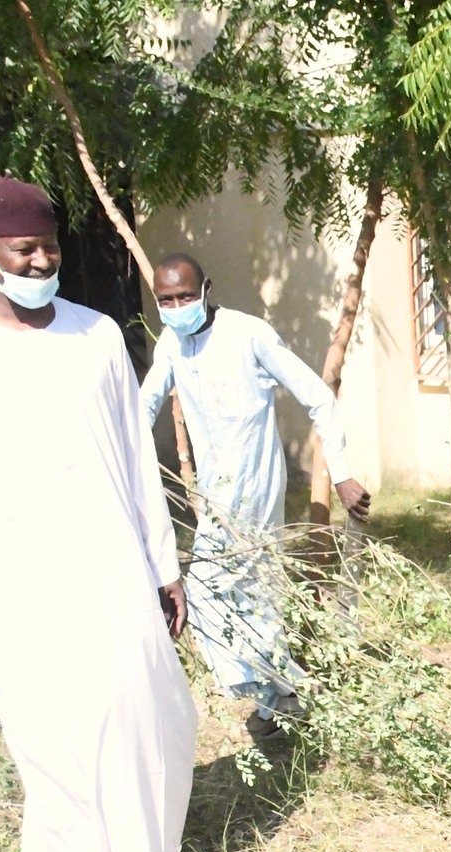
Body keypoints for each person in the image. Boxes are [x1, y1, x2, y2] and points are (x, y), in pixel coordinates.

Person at [0, 176, 196, 852]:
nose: (40, 261)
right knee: (43, 721)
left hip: (109, 562)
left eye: (49, 246)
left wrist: (164, 564)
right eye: (23, 248)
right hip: (10, 577)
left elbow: (138, 458)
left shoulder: (96, 335)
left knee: (143, 709)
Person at [140, 253, 369, 727]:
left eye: (185, 296)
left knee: (207, 588)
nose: (178, 306)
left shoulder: (248, 334)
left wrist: (342, 472)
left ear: (206, 289)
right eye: (167, 300)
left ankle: (280, 688)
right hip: (216, 489)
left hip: (257, 482)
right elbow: (144, 408)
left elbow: (318, 397)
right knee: (248, 592)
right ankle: (280, 693)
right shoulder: (171, 344)